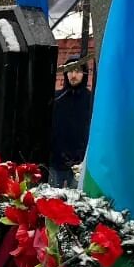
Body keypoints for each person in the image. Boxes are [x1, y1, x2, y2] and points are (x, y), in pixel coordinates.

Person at [50, 59, 94, 188]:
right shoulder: (57, 98)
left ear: (84, 74)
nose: (73, 75)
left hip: (81, 163)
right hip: (56, 162)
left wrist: (81, 156)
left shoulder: (91, 101)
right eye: (70, 71)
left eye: (78, 71)